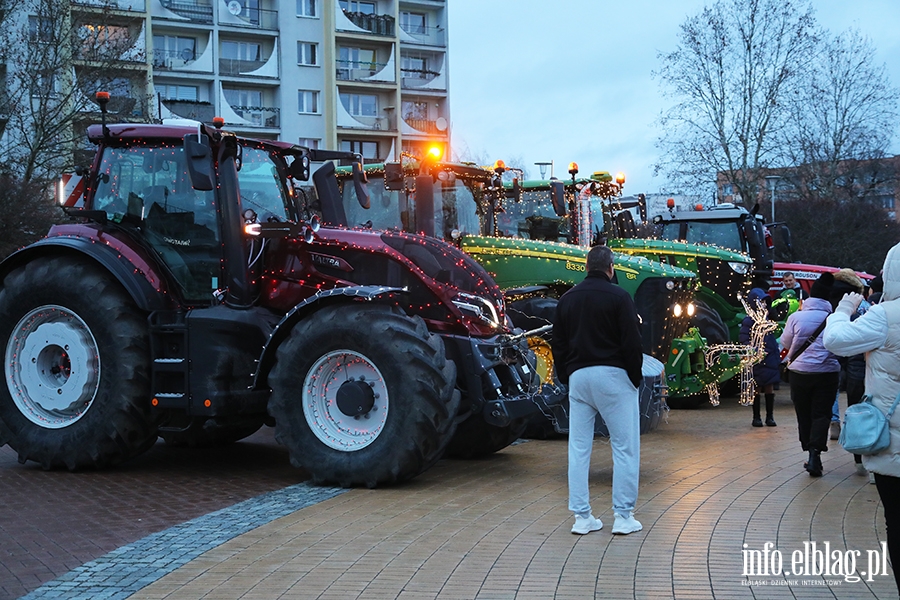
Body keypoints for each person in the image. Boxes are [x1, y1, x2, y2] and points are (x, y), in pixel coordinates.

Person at [823, 242, 900, 595]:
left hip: (894, 449)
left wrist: (844, 308)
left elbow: (835, 340)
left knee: (897, 523)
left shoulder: (886, 316)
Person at [552, 245, 644, 536]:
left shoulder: (567, 299)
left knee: (578, 449)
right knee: (624, 447)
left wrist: (566, 375)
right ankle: (623, 515)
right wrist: (634, 377)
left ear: (586, 265)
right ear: (611, 267)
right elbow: (632, 341)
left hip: (579, 376)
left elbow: (559, 343)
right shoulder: (620, 297)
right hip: (614, 375)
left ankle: (582, 517)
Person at [781, 272, 840, 477]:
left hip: (800, 372)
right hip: (827, 374)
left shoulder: (796, 317)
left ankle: (809, 451)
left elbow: (786, 343)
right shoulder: (833, 319)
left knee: (804, 413)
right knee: (821, 414)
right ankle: (816, 453)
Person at [739, 286, 779, 427]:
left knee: (769, 387)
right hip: (757, 357)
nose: (763, 304)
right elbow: (744, 337)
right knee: (755, 387)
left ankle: (769, 416)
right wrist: (752, 349)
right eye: (760, 302)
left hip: (769, 356)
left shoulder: (768, 317)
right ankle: (757, 417)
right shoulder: (749, 320)